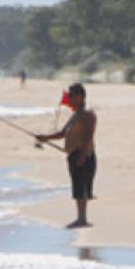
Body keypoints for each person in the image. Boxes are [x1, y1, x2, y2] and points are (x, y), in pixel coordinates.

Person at [36, 83, 97, 228]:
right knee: (77, 188)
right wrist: (45, 138)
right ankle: (81, 218)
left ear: (81, 96)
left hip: (84, 155)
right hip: (74, 154)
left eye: (72, 95)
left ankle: (82, 219)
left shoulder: (87, 114)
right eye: (69, 95)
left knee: (81, 188)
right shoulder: (75, 115)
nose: (69, 98)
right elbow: (63, 133)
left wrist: (82, 154)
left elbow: (89, 135)